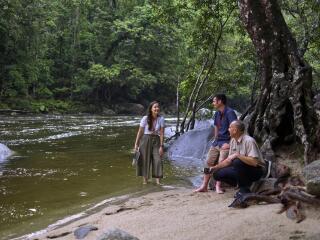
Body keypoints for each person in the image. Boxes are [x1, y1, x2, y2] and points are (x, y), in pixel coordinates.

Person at [195, 120, 265, 196]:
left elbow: (254, 162)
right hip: (242, 171)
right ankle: (243, 184)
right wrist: (214, 168)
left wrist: (238, 155)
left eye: (230, 127)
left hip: (256, 171)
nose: (228, 129)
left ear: (235, 130)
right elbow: (228, 161)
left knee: (237, 161)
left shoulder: (249, 141)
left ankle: (244, 190)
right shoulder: (233, 141)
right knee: (217, 174)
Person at [203, 93, 237, 193]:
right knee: (208, 162)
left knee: (221, 163)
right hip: (217, 141)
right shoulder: (217, 113)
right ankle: (204, 185)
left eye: (214, 101)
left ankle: (218, 185)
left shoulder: (230, 113)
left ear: (220, 101)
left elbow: (235, 128)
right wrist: (215, 139)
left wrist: (230, 143)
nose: (213, 103)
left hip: (226, 141)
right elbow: (216, 127)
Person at [134, 101, 165, 185]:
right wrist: (136, 144)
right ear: (151, 109)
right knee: (145, 160)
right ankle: (145, 180)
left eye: (158, 107)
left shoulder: (161, 119)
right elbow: (140, 131)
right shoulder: (145, 118)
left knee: (158, 159)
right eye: (155, 107)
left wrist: (161, 146)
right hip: (145, 139)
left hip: (156, 140)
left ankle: (158, 181)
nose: (157, 108)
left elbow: (162, 133)